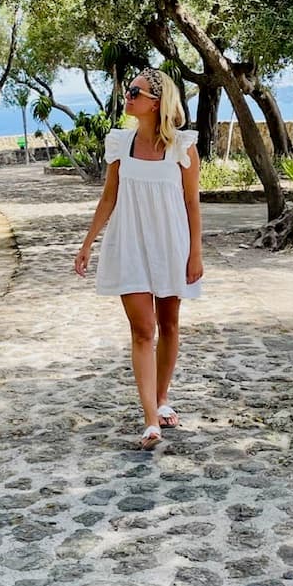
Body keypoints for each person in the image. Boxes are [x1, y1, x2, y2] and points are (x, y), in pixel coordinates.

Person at [74, 68, 203, 450]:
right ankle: (150, 420)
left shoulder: (182, 146)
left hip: (171, 244)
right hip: (129, 243)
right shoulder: (120, 144)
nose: (128, 96)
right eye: (129, 90)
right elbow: (108, 198)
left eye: (136, 92)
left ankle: (163, 400)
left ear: (156, 103)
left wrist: (196, 251)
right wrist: (87, 244)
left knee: (170, 324)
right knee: (143, 329)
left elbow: (192, 203)